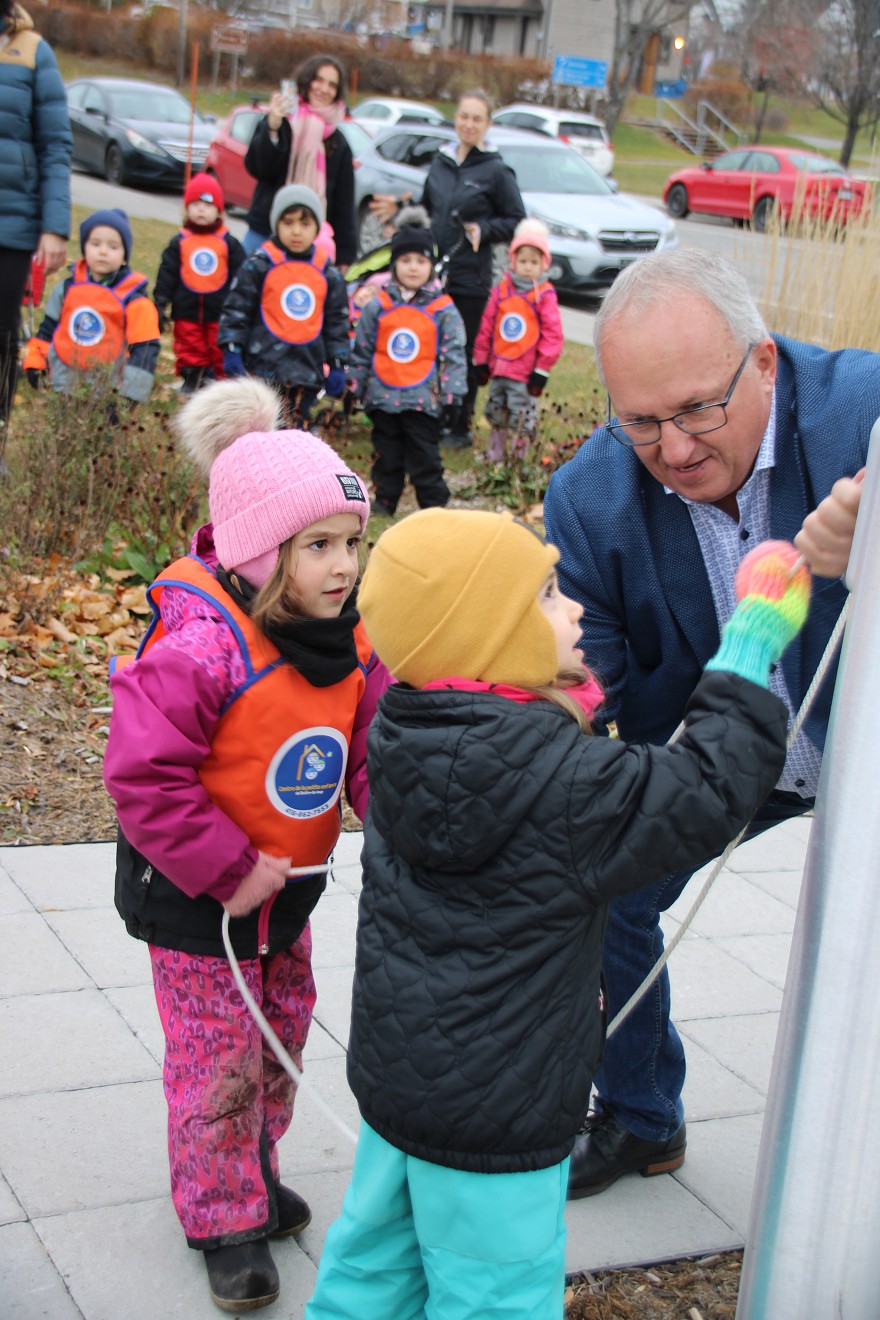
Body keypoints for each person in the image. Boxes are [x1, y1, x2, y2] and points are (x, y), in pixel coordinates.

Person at [304, 505, 810, 1320]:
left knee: (372, 1271)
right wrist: (750, 643)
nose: (574, 607)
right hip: (501, 1118)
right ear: (489, 641)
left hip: (401, 1090)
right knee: (495, 1296)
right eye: (545, 595)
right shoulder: (567, 781)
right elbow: (707, 790)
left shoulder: (403, 732)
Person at [543, 247, 880, 1200]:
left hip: (868, 734)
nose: (678, 449)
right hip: (720, 754)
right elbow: (588, 687)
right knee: (599, 882)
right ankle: (644, 1118)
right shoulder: (591, 499)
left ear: (764, 362)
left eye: (699, 409)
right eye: (642, 422)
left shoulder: (864, 413)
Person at [103, 375, 390, 1313]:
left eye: (352, 542)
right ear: (260, 556)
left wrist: (391, 810)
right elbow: (144, 777)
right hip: (199, 902)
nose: (343, 565)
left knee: (279, 1039)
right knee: (215, 1055)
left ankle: (252, 1168)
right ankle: (221, 1215)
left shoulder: (342, 639)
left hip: (287, 893)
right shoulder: (200, 648)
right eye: (318, 547)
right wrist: (225, 867)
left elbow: (364, 744)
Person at [371, 90, 526, 447]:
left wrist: (483, 230)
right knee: (431, 342)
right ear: (455, 119)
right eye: (464, 116)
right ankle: (430, 413)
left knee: (463, 350)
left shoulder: (497, 170)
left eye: (477, 118)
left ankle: (459, 424)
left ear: (487, 125)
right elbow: (429, 206)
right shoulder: (440, 162)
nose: (468, 124)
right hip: (432, 274)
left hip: (470, 276)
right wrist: (402, 216)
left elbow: (516, 219)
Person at [348, 205, 466, 516]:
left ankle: (434, 506)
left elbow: (454, 353)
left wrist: (454, 395)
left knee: (424, 456)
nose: (413, 268)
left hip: (421, 400)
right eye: (405, 260)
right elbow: (362, 347)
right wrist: (355, 384)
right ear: (394, 263)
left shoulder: (443, 308)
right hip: (383, 397)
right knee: (387, 455)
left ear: (431, 265)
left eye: (421, 261)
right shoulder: (379, 305)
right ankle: (385, 500)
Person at [0, 0, 71, 460]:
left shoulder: (31, 50)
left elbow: (54, 143)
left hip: (12, 221)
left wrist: (55, 226)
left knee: (2, 335)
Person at [218, 184, 349, 427]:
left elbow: (336, 323)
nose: (296, 231)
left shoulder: (328, 274)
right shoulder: (259, 265)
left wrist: (338, 363)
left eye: (305, 224)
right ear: (276, 223)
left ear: (317, 228)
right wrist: (232, 348)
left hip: (306, 373)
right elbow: (237, 309)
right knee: (259, 430)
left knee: (295, 432)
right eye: (288, 223)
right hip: (261, 368)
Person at [22, 208, 160, 404]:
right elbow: (48, 329)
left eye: (113, 247)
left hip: (106, 393)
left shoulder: (134, 299)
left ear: (124, 257)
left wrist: (130, 395)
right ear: (84, 248)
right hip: (62, 383)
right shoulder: (66, 289)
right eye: (95, 244)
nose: (103, 251)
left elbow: (145, 348)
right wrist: (36, 362)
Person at [243, 53, 356, 271]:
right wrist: (272, 126)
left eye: (332, 85)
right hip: (265, 230)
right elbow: (258, 168)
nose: (324, 89)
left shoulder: (338, 143)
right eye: (319, 80)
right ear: (306, 80)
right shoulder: (282, 121)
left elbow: (344, 205)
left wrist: (344, 257)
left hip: (313, 241)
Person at [473, 217, 563, 461]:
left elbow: (552, 334)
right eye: (522, 260)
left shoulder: (544, 295)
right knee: (496, 411)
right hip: (500, 367)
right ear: (513, 260)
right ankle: (496, 455)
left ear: (544, 263)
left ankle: (519, 457)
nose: (527, 266)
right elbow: (486, 327)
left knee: (521, 415)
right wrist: (481, 360)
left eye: (534, 262)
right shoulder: (501, 290)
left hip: (524, 372)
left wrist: (541, 370)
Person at [153, 172, 245, 395]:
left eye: (207, 204)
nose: (201, 210)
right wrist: (160, 301)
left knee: (218, 347)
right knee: (188, 346)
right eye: (195, 204)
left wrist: (239, 307)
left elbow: (240, 277)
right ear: (186, 209)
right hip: (186, 310)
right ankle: (191, 379)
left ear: (219, 211)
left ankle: (219, 383)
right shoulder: (179, 242)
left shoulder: (229, 244)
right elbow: (167, 274)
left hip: (219, 313)